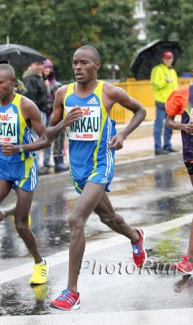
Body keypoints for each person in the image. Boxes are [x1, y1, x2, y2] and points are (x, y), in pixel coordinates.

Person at [47, 45, 147, 311]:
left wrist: (123, 134)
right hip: (77, 169)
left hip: (101, 164)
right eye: (74, 63)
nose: (77, 67)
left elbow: (140, 111)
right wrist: (61, 124)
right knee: (108, 217)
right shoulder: (62, 94)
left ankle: (72, 292)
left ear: (96, 66)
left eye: (83, 63)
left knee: (75, 218)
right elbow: (48, 134)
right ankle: (136, 237)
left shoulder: (108, 92)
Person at [0, 63, 50, 285]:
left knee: (21, 225)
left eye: (0, 83)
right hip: (1, 167)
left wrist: (20, 148)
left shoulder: (26, 106)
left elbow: (46, 139)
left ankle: (39, 263)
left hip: (24, 167)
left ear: (13, 83)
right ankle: (11, 211)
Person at [165, 83, 193, 274]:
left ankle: (190, 259)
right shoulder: (183, 93)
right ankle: (189, 259)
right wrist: (184, 126)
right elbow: (168, 121)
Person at [42, 60, 68, 173]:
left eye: (49, 67)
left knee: (60, 137)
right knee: (47, 138)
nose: (47, 69)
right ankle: (47, 162)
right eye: (45, 67)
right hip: (46, 112)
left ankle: (59, 162)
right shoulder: (40, 81)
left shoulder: (54, 82)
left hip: (55, 112)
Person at [150, 51, 178, 156]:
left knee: (169, 125)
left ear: (172, 59)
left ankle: (167, 146)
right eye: (166, 58)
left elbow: (175, 88)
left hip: (172, 102)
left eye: (170, 58)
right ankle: (158, 148)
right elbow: (154, 85)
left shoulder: (173, 71)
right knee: (159, 125)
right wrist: (164, 81)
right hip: (161, 102)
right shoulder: (157, 70)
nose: (168, 60)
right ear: (162, 59)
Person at [22, 61, 48, 170]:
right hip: (36, 113)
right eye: (37, 64)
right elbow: (29, 96)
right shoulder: (30, 78)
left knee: (37, 140)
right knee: (35, 141)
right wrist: (34, 111)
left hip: (41, 111)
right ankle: (34, 167)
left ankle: (35, 166)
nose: (40, 66)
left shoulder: (39, 78)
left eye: (42, 64)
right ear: (31, 64)